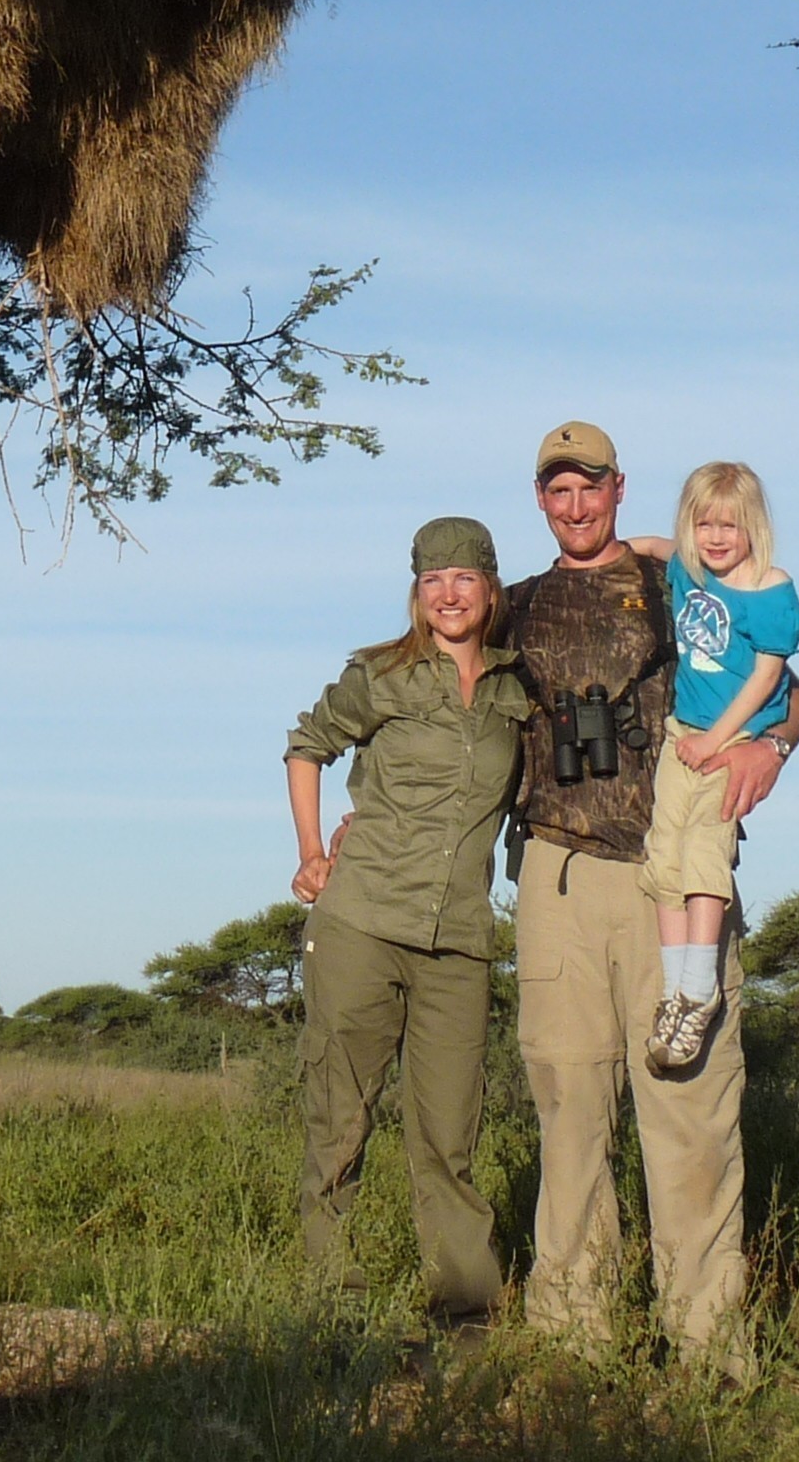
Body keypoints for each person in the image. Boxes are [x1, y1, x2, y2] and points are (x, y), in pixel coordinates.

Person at [501, 419, 799, 1376]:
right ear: (541, 499)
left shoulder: (677, 585)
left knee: (689, 1109)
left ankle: (710, 1349)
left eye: (590, 487)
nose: (575, 505)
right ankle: (572, 1348)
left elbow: (790, 689)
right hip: (555, 874)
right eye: (558, 490)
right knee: (569, 1101)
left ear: (619, 488)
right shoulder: (514, 606)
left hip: (671, 882)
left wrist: (772, 745)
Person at [284, 513, 533, 1326]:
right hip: (360, 921)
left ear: (491, 589)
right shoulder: (380, 674)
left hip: (459, 939)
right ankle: (333, 1309)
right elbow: (306, 746)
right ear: (417, 592)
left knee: (449, 1138)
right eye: (434, 581)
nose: (450, 595)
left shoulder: (514, 689)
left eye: (465, 579)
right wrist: (314, 853)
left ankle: (463, 1317)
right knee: (339, 1121)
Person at [635, 461, 799, 1078]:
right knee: (665, 852)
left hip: (732, 739)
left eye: (729, 524)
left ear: (753, 525)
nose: (716, 536)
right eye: (704, 523)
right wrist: (618, 547)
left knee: (705, 846)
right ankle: (676, 990)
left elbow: (766, 678)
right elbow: (656, 547)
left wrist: (720, 742)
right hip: (683, 735)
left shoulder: (771, 591)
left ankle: (699, 987)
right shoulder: (688, 569)